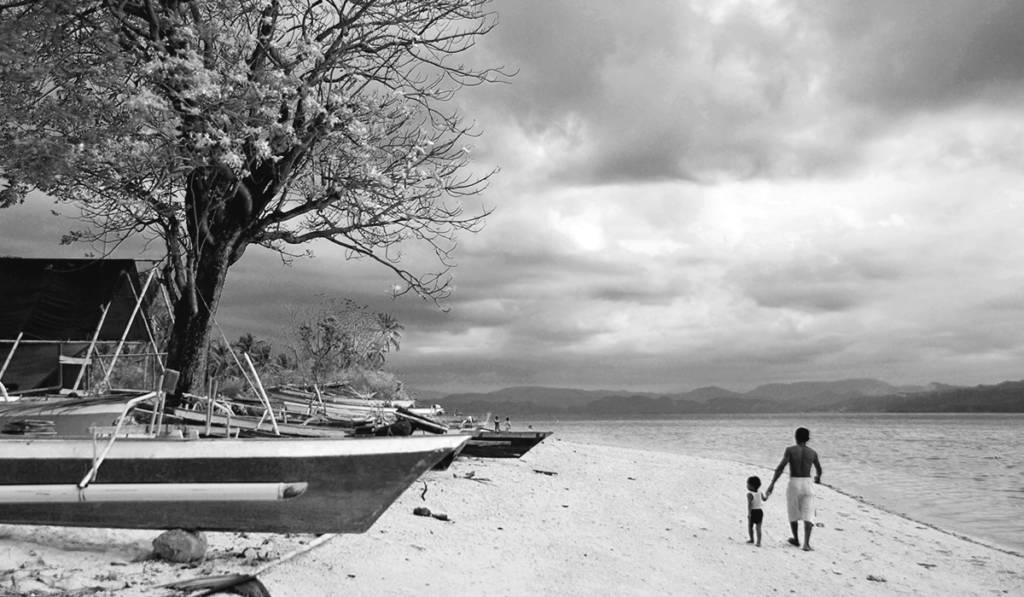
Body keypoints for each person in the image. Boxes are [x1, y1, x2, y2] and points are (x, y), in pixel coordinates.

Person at [766, 427, 822, 551]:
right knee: (809, 513)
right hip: (807, 483)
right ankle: (806, 544)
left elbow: (780, 467)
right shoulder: (812, 452)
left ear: (795, 437)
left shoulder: (790, 450)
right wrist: (818, 478)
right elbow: (819, 469)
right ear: (807, 439)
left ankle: (796, 539)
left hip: (794, 483)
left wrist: (772, 484)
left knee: (793, 511)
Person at [746, 475, 767, 547]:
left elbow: (749, 504)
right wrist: (768, 494)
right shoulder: (760, 492)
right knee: (758, 527)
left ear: (752, 486)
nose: (747, 486)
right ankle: (758, 542)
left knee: (750, 526)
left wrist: (749, 514)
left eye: (748, 484)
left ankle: (752, 539)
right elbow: (764, 499)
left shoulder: (749, 494)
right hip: (760, 511)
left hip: (753, 511)